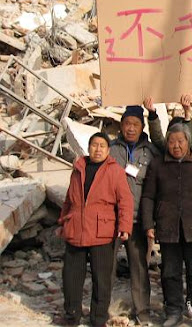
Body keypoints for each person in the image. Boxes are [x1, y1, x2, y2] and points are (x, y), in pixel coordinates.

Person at [140, 123, 192, 327]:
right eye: (172, 141)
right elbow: (148, 197)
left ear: (188, 142)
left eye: (180, 141)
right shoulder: (158, 164)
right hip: (168, 227)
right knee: (170, 273)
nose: (176, 146)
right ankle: (174, 311)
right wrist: (148, 224)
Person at [58, 132, 133, 327]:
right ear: (88, 147)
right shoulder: (78, 168)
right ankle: (71, 316)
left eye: (102, 146)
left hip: (102, 231)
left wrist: (124, 227)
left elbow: (125, 201)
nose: (97, 149)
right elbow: (69, 199)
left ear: (108, 150)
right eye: (94, 145)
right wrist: (62, 222)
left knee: (102, 279)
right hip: (76, 229)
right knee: (71, 277)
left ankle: (98, 318)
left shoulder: (115, 171)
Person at [109, 105, 159, 326]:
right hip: (112, 219)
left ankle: (143, 312)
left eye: (135, 124)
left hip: (138, 219)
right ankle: (102, 310)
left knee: (139, 268)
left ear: (142, 126)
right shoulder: (110, 150)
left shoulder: (151, 152)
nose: (130, 128)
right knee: (106, 268)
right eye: (127, 124)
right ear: (121, 126)